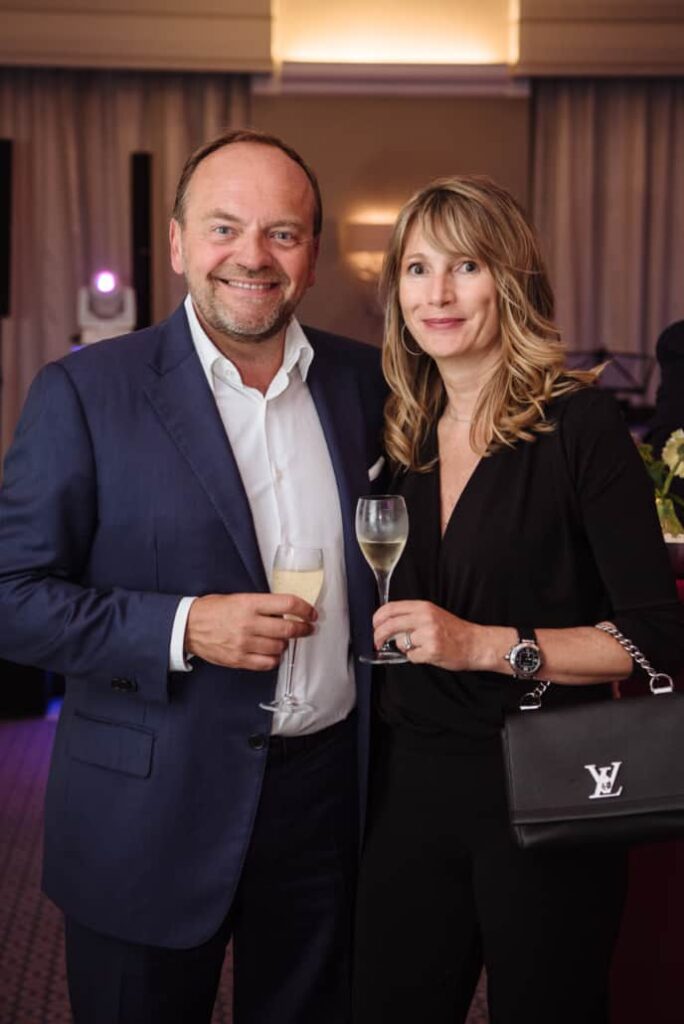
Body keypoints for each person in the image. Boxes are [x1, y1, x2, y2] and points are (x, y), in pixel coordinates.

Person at [0, 129, 386, 1024]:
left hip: (326, 804)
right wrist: (182, 627)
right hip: (148, 809)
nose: (253, 255)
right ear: (177, 243)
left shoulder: (368, 383)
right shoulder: (84, 392)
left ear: (312, 254)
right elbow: (12, 598)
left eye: (282, 233)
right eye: (224, 227)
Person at [352, 175, 684, 1024]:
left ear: (512, 280)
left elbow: (654, 634)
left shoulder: (580, 426)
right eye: (417, 269)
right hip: (409, 783)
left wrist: (482, 644)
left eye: (465, 266)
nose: (437, 293)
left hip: (545, 779)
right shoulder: (400, 432)